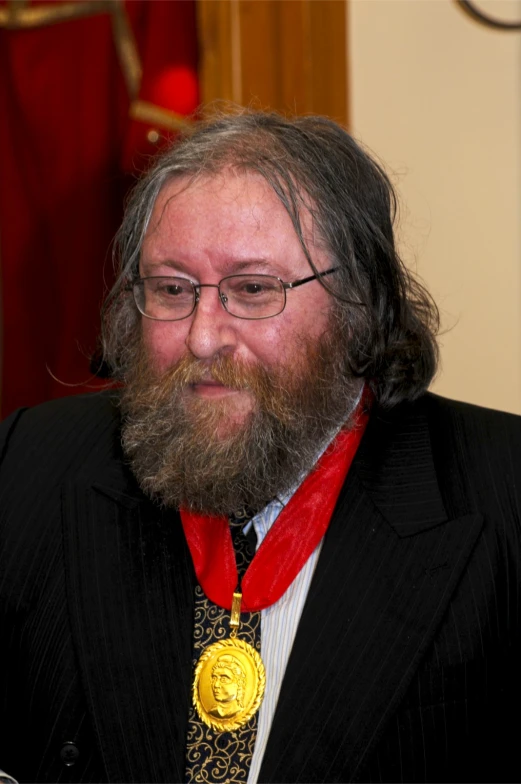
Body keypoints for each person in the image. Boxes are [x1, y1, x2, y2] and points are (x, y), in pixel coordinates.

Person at [0, 109, 520, 784]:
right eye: (172, 289)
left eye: (252, 289)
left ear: (357, 301)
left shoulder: (503, 495)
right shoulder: (24, 468)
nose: (202, 336)